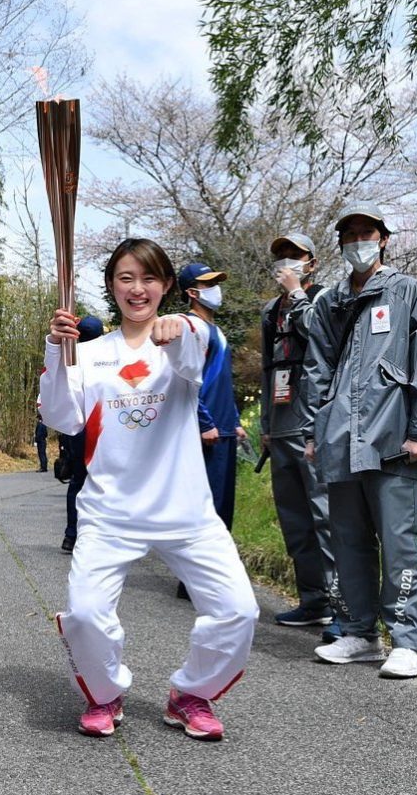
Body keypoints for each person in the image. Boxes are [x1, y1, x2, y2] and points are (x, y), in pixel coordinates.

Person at [41, 239, 258, 741]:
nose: (137, 289)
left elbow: (196, 349)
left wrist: (181, 326)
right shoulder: (88, 354)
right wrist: (56, 350)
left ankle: (191, 695)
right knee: (86, 615)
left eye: (149, 278)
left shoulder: (187, 340)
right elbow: (61, 417)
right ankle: (105, 693)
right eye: (126, 278)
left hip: (185, 511)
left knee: (238, 611)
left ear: (167, 286)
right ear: (111, 286)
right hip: (110, 512)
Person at [303, 202, 417, 679]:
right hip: (339, 434)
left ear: (383, 239)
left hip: (392, 434)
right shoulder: (330, 301)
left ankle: (410, 641)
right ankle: (359, 633)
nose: (358, 241)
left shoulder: (407, 291)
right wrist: (313, 431)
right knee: (348, 539)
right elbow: (316, 368)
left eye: (367, 232)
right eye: (350, 234)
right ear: (340, 243)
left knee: (400, 541)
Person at [260, 232, 340, 639]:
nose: (287, 262)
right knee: (295, 521)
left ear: (312, 262)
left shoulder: (325, 298)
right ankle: (314, 601)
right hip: (280, 427)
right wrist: (265, 426)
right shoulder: (270, 311)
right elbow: (267, 368)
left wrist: (297, 295)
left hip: (314, 426)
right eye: (282, 256)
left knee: (326, 517)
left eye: (296, 255)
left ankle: (343, 607)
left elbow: (324, 338)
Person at [178, 263, 247, 533]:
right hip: (206, 431)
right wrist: (204, 422)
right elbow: (186, 380)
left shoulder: (215, 330)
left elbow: (222, 380)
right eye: (208, 284)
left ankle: (218, 558)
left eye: (215, 283)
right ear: (192, 292)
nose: (215, 289)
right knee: (207, 507)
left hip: (223, 428)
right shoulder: (192, 327)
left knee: (223, 505)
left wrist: (235, 421)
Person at [58, 315, 105, 553]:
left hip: (76, 431)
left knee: (77, 482)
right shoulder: (106, 361)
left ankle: (71, 535)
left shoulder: (71, 362)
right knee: (104, 482)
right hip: (101, 428)